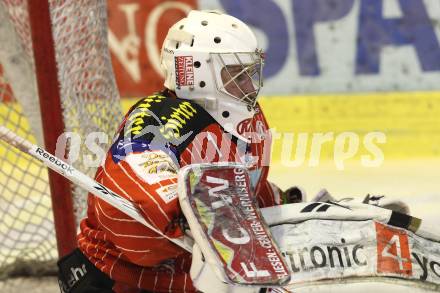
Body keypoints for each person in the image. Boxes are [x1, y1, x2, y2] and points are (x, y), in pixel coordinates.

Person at [57, 10, 293, 293]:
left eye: (250, 74)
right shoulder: (159, 120)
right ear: (197, 73)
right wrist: (191, 216)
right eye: (236, 75)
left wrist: (287, 208)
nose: (249, 86)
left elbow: (245, 187)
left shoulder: (247, 118)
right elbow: (127, 219)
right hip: (120, 280)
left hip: (193, 278)